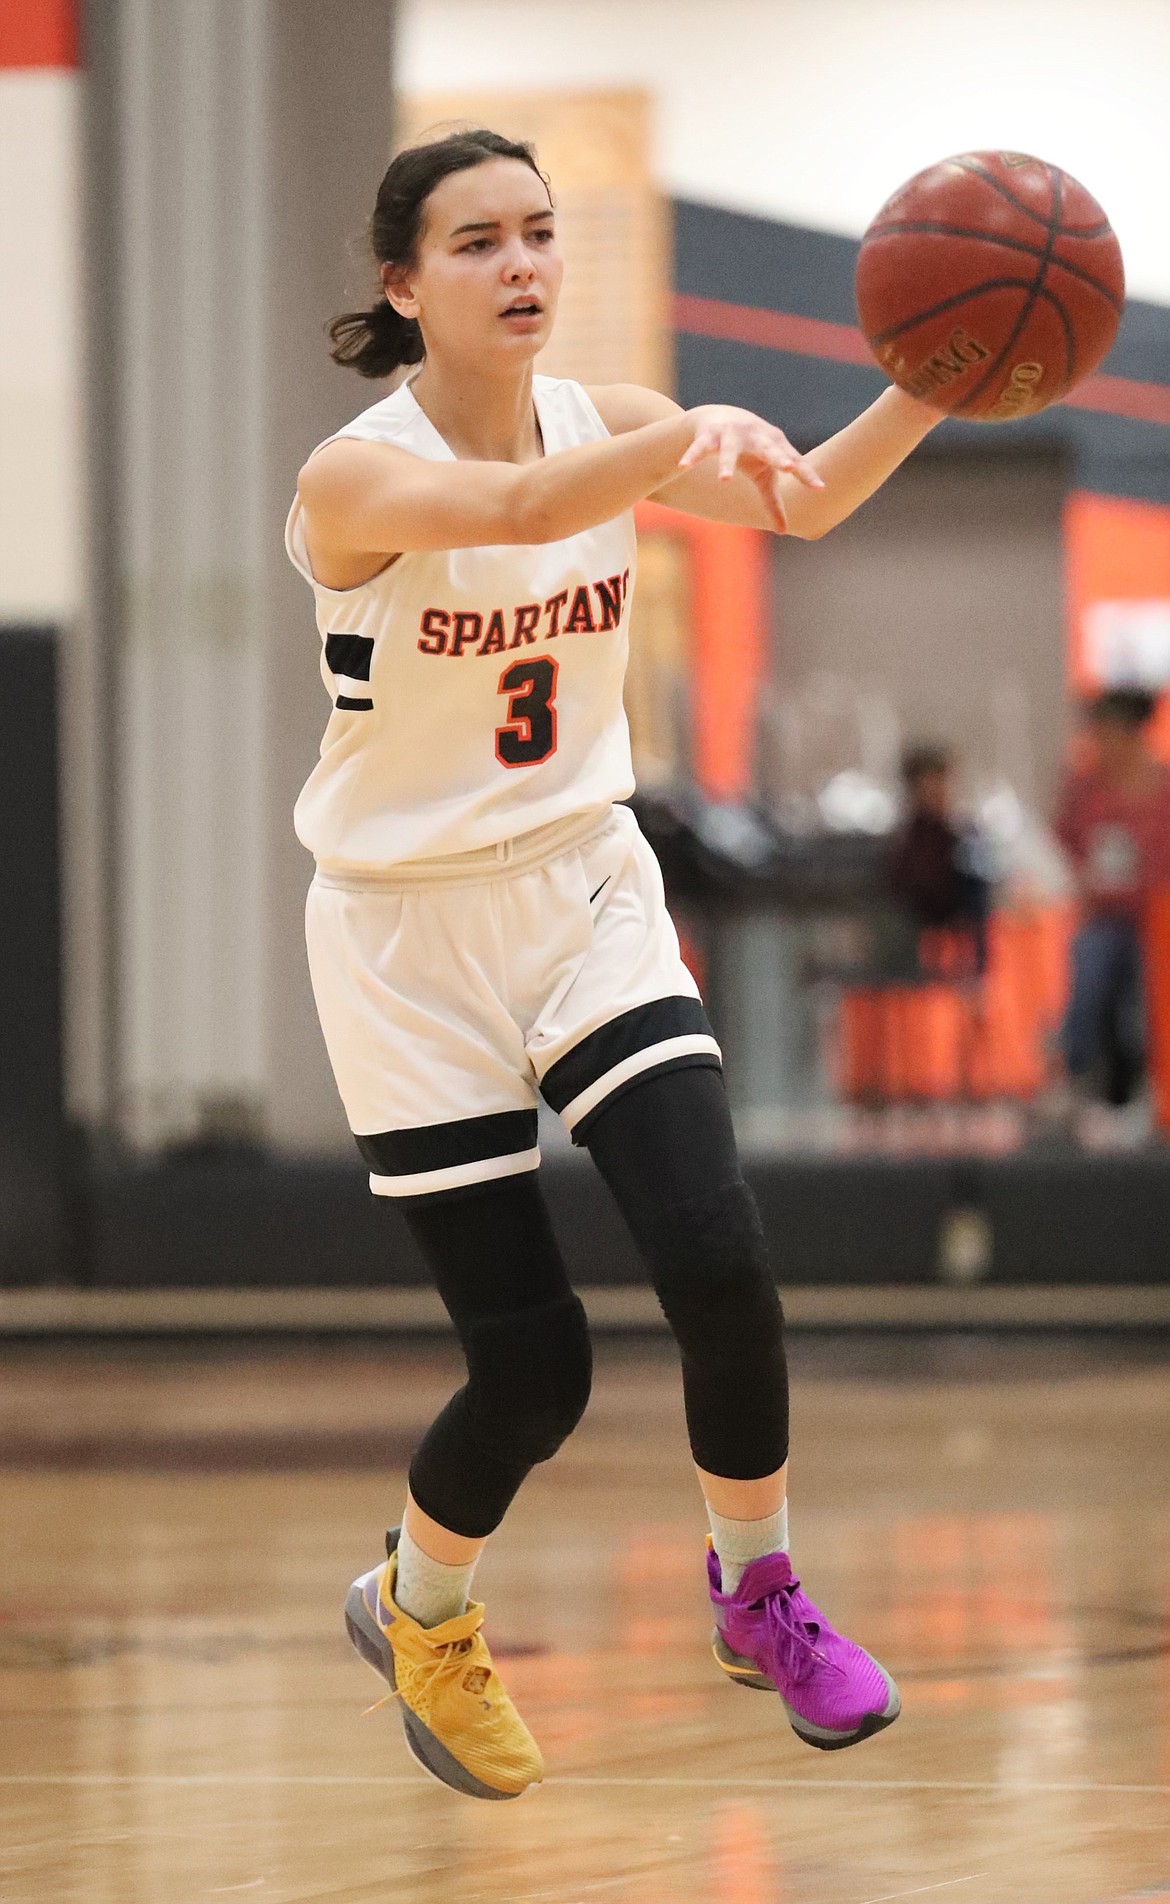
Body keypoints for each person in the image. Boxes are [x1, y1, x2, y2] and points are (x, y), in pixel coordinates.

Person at [288, 127, 940, 1801]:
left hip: (583, 886)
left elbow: (810, 495)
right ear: (401, 282)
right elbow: (509, 505)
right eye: (478, 241)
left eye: (541, 233)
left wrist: (935, 376)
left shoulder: (615, 426)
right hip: (404, 933)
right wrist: (666, 447)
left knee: (720, 1255)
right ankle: (420, 1603)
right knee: (538, 1367)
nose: (521, 265)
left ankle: (763, 1588)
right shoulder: (351, 476)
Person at [1053, 687, 1170, 1109]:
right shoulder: (1087, 790)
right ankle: (1084, 1080)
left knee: (1145, 1006)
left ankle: (1147, 1084)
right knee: (1090, 979)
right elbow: (1063, 840)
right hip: (1105, 916)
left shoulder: (1163, 788)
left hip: (1158, 922)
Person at [888, 743, 992, 973]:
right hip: (926, 935)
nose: (935, 790)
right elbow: (910, 886)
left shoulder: (960, 834)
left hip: (952, 938)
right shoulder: (915, 838)